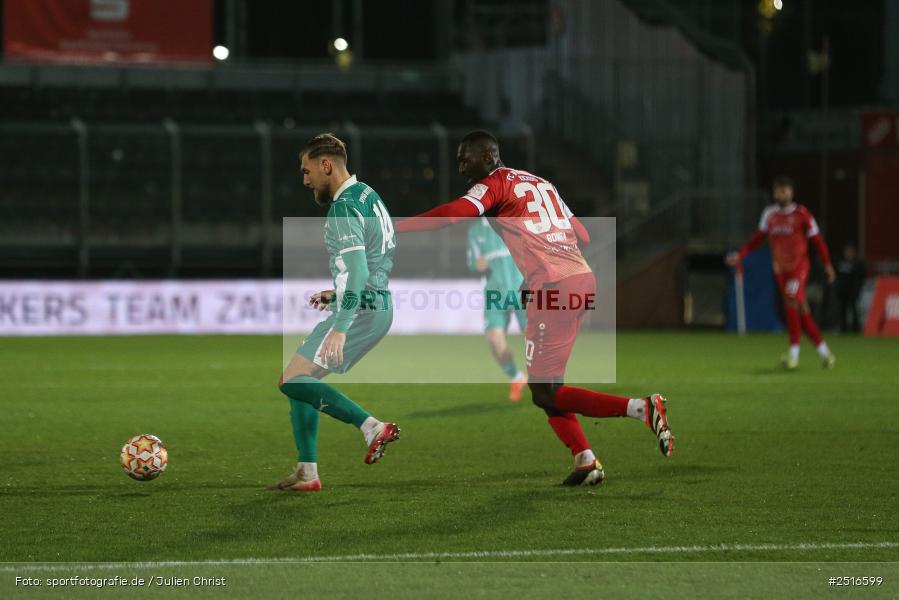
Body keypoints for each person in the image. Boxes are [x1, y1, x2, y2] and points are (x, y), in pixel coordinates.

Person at [395, 130, 674, 487]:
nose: (460, 164)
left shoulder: (493, 183)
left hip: (554, 286)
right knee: (549, 387)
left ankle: (642, 409)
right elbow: (583, 235)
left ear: (488, 156)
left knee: (545, 390)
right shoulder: (542, 182)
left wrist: (396, 226)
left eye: (466, 157)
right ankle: (585, 460)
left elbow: (454, 214)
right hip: (578, 280)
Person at [271, 133, 400, 493]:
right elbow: (377, 257)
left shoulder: (343, 207)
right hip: (373, 303)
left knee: (292, 381)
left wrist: (341, 325)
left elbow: (358, 271)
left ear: (325, 165)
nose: (305, 178)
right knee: (300, 381)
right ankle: (307, 471)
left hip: (360, 310)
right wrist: (339, 292)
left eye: (307, 169)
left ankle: (371, 426)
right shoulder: (368, 195)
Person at [726, 176, 836, 369]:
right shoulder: (769, 214)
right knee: (801, 312)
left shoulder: (802, 214)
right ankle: (826, 354)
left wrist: (827, 265)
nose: (780, 193)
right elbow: (757, 239)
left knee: (791, 301)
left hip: (799, 268)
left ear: (791, 192)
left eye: (784, 190)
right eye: (777, 190)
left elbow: (817, 241)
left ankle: (793, 356)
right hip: (780, 270)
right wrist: (741, 255)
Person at [467, 217, 529, 401]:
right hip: (495, 293)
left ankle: (543, 379)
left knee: (534, 337)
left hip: (523, 290)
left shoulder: (516, 223)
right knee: (494, 339)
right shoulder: (476, 231)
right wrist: (476, 265)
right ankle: (516, 377)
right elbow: (472, 262)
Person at [836, 244, 866, 333]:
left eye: (849, 251)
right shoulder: (841, 262)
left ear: (854, 252)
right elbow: (838, 276)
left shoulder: (857, 263)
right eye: (847, 251)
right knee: (842, 310)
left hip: (853, 291)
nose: (848, 253)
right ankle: (843, 328)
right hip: (842, 291)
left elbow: (862, 276)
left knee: (854, 309)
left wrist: (858, 288)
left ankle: (855, 328)